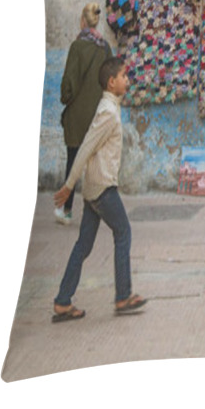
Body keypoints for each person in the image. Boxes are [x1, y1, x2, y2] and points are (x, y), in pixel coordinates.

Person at [51, 57, 146, 323]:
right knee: (123, 231)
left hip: (94, 188)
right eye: (124, 76)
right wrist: (69, 185)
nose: (128, 79)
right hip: (102, 187)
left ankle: (62, 301)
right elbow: (86, 147)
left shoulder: (109, 106)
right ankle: (123, 295)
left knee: (83, 244)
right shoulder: (107, 111)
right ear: (111, 82)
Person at [57, 3, 113, 224]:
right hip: (98, 115)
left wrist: (66, 99)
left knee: (74, 161)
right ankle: (100, 210)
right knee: (96, 165)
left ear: (83, 20)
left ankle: (66, 210)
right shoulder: (105, 47)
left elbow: (68, 84)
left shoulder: (77, 47)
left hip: (78, 116)